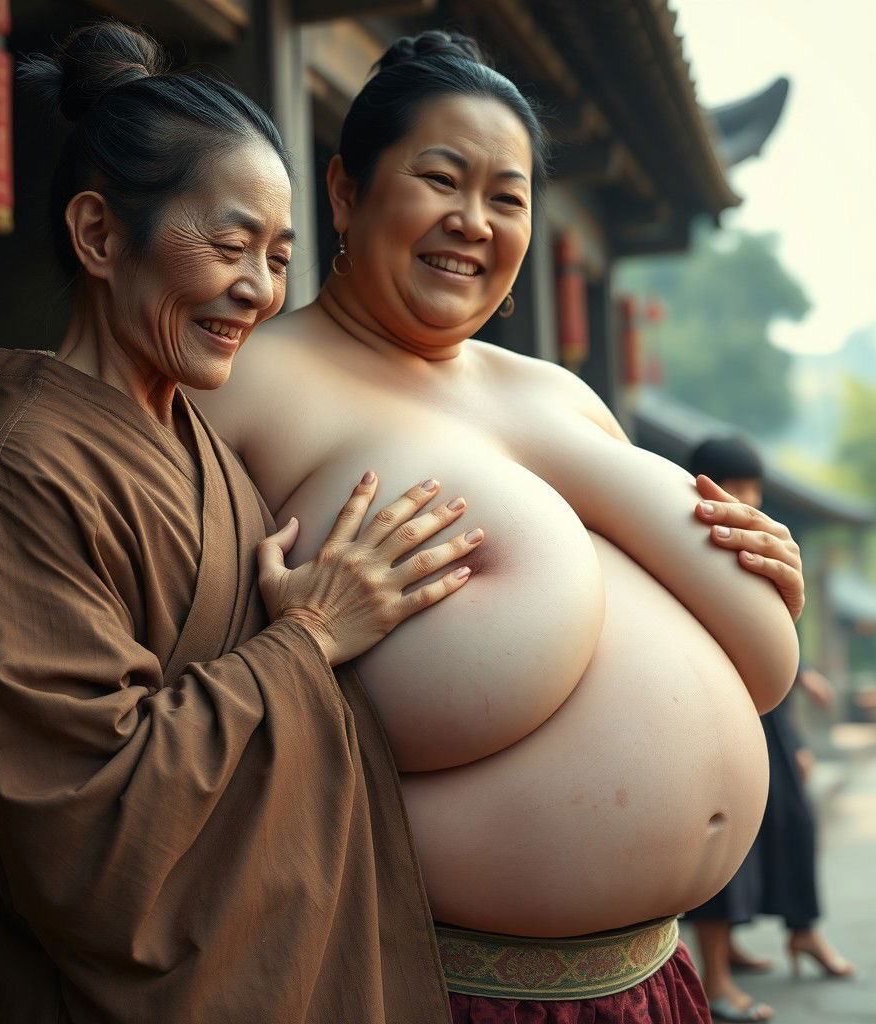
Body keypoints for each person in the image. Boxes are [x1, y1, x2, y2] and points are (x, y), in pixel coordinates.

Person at [192, 31, 807, 1024]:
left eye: (507, 196)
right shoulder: (250, 384)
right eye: (441, 178)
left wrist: (766, 577)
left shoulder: (562, 392)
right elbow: (164, 676)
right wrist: (294, 639)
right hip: (438, 989)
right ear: (345, 193)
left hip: (655, 979)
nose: (472, 221)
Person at [0, 23, 484, 1023]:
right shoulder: (34, 466)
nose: (260, 290)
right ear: (100, 235)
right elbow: (82, 824)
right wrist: (307, 638)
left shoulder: (188, 429)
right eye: (230, 246)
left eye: (277, 256)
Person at [683, 437, 854, 1024]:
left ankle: (802, 933)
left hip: (770, 711)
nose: (747, 500)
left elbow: (772, 621)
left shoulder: (763, 536)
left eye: (754, 491)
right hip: (716, 706)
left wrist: (800, 695)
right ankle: (717, 978)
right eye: (738, 487)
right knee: (724, 837)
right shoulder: (687, 534)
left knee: (795, 824)